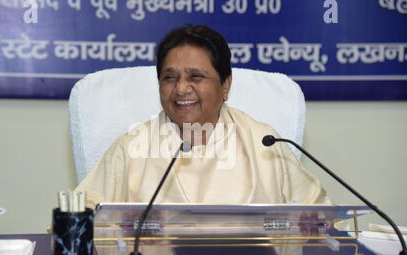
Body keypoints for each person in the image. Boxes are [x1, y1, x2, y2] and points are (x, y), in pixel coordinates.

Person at [75, 24, 331, 208]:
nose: (181, 89)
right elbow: (78, 219)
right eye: (170, 78)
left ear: (225, 85)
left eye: (196, 77)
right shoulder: (131, 147)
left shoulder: (264, 143)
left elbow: (321, 220)